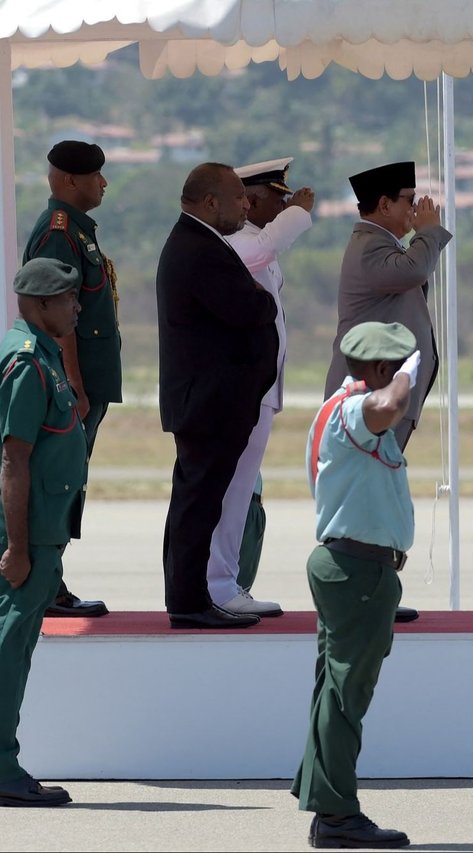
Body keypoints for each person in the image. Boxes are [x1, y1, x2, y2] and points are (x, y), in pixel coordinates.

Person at [292, 320, 418, 849]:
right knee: (347, 696)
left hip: (352, 568)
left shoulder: (332, 410)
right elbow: (390, 407)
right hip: (357, 573)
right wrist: (411, 376)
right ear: (382, 369)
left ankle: (323, 797)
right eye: (395, 367)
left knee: (333, 692)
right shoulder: (355, 412)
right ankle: (338, 816)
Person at [323, 160, 452, 623]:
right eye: (407, 199)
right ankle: (362, 592)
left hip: (385, 401)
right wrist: (430, 232)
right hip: (370, 402)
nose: (415, 208)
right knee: (368, 497)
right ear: (383, 204)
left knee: (380, 493)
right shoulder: (369, 248)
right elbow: (415, 269)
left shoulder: (381, 245)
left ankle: (374, 591)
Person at [156, 162, 279, 629]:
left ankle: (190, 595)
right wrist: (259, 298)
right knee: (198, 503)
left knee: (198, 501)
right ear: (210, 203)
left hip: (212, 401)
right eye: (238, 199)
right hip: (209, 403)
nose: (246, 205)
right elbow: (251, 306)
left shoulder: (204, 243)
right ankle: (188, 602)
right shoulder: (200, 248)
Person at [206, 157, 314, 615]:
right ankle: (219, 584)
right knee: (231, 489)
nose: (285, 202)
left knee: (241, 487)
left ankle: (226, 580)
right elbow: (264, 249)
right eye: (279, 196)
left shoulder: (255, 242)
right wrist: (301, 214)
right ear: (250, 200)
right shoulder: (236, 242)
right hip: (242, 391)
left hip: (259, 390)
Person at [0, 258, 87, 806]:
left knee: (18, 647)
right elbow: (14, 460)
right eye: (66, 298)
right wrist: (16, 548)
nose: (76, 306)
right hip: (28, 538)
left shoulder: (44, 355)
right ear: (38, 305)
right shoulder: (27, 362)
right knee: (9, 650)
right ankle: (3, 770)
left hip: (44, 532)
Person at [23, 140, 122, 617]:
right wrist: (75, 386)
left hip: (86, 383)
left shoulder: (79, 230)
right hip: (72, 387)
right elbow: (58, 316)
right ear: (68, 180)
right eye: (94, 176)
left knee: (68, 482)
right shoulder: (59, 232)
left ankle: (50, 581)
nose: (103, 183)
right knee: (57, 483)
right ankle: (44, 585)